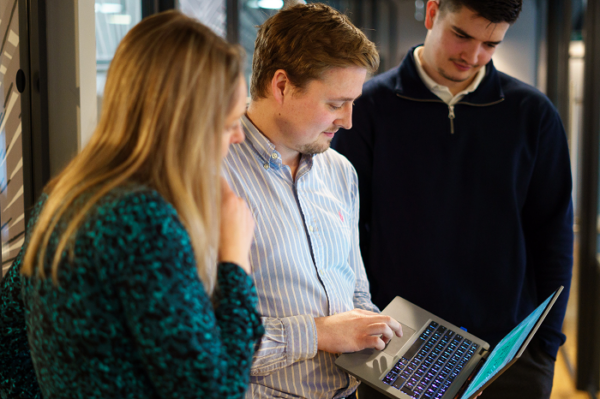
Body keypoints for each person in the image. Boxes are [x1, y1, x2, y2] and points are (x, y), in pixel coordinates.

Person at [0, 11, 263, 399]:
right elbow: (216, 391)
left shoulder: (65, 195)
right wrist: (235, 262)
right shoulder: (143, 221)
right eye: (228, 124)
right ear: (185, 126)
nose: (239, 137)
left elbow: (10, 339)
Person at [332, 0, 573, 398]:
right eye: (461, 34)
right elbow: (347, 233)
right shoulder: (368, 108)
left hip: (507, 356)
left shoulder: (533, 115)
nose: (473, 55)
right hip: (398, 347)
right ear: (431, 13)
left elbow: (554, 239)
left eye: (490, 44)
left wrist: (544, 349)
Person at [222, 3, 403, 399]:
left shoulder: (340, 171)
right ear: (281, 86)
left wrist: (397, 358)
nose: (348, 121)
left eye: (353, 102)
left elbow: (356, 294)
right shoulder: (212, 177)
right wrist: (319, 333)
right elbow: (205, 346)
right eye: (335, 104)